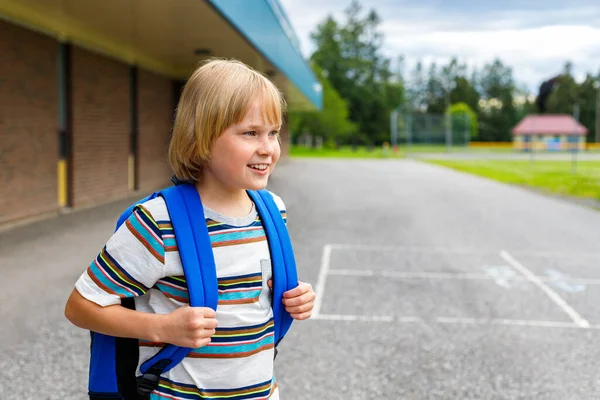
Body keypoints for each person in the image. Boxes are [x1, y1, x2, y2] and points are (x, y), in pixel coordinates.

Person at [64, 58, 317, 399]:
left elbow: (249, 295)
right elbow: (81, 306)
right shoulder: (158, 222)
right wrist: (163, 327)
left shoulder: (272, 210)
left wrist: (293, 296)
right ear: (202, 138)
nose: (268, 148)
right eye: (251, 133)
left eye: (273, 133)